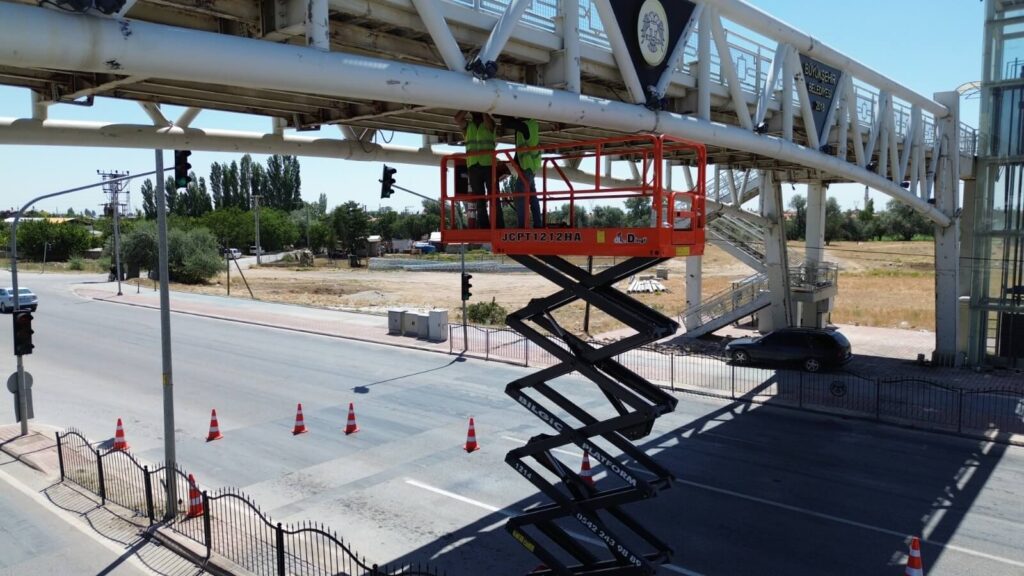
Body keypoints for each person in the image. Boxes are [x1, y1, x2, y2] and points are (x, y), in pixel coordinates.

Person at [454, 110, 502, 228]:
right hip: (473, 166)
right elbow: (457, 119)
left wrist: (482, 108)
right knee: (479, 199)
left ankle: (498, 225)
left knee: (493, 197)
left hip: (488, 165)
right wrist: (468, 105)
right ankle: (484, 226)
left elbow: (488, 122)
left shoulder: (489, 123)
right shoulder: (468, 127)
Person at [501, 116, 543, 228]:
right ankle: (538, 224)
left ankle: (523, 225)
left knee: (520, 195)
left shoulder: (525, 126)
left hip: (527, 167)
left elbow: (507, 122)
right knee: (532, 196)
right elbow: (520, 149)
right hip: (530, 167)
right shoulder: (529, 125)